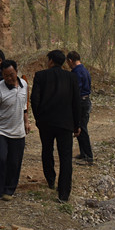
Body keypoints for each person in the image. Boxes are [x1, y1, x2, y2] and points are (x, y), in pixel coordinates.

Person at [30, 49, 80, 202]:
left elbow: (34, 100)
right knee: (65, 158)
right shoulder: (71, 77)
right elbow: (76, 103)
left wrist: (38, 118)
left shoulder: (41, 76)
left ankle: (51, 180)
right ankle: (64, 194)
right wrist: (77, 124)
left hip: (46, 122)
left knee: (47, 150)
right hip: (65, 123)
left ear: (50, 60)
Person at [0, 60, 30, 203]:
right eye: (5, 76)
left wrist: (27, 122)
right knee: (1, 159)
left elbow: (24, 106)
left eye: (11, 75)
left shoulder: (24, 86)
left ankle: (8, 190)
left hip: (18, 131)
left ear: (17, 71)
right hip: (1, 131)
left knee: (14, 162)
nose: (9, 78)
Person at [67, 50, 93, 165]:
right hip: (86, 100)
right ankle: (83, 153)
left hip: (81, 102)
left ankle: (88, 156)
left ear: (70, 61)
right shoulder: (84, 70)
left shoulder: (76, 72)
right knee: (80, 127)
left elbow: (76, 89)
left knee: (81, 129)